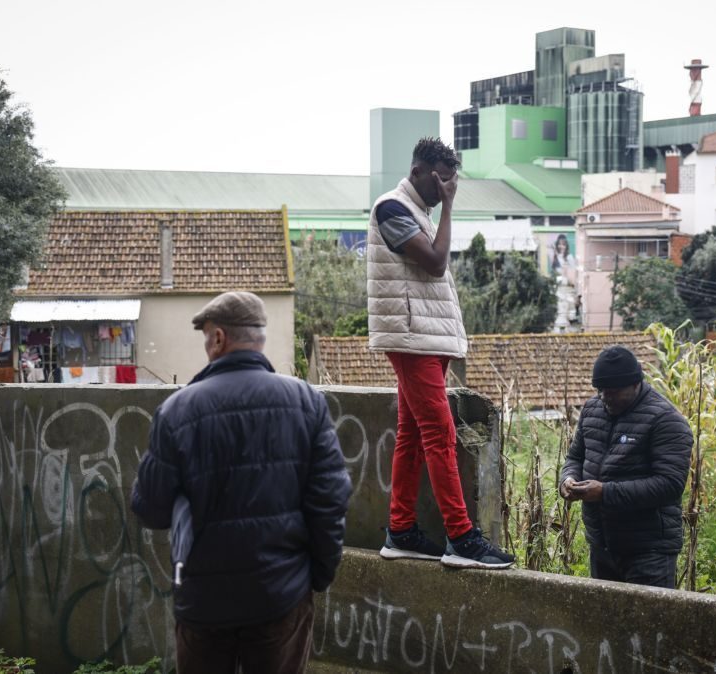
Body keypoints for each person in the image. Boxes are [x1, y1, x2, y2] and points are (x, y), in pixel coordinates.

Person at [131, 291, 351, 674]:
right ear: (259, 338)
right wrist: (315, 577)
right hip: (281, 597)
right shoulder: (306, 403)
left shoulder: (176, 411)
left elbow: (149, 507)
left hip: (204, 603)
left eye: (206, 337)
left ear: (218, 338)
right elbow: (331, 500)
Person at [367, 137, 513, 570]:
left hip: (427, 338)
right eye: (441, 183)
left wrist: (441, 207)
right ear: (418, 173)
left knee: (413, 433)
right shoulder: (391, 208)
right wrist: (449, 208)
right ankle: (462, 538)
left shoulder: (416, 213)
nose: (445, 191)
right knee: (439, 432)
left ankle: (401, 530)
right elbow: (435, 263)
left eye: (451, 185)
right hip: (412, 338)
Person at [560, 345, 692, 588]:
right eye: (600, 391)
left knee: (648, 624)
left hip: (649, 551)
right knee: (606, 624)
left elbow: (670, 485)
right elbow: (575, 457)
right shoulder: (592, 410)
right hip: (601, 545)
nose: (604, 398)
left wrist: (605, 492)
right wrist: (567, 480)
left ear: (635, 384)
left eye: (613, 392)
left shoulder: (666, 421)